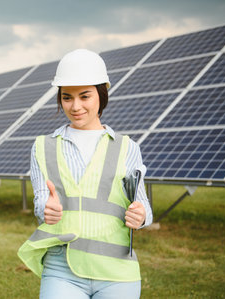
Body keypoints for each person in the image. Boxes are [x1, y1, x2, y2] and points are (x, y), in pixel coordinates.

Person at [18, 49, 153, 299]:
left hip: (117, 270)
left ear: (101, 95)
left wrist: (141, 215)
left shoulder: (127, 147)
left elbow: (143, 204)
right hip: (62, 268)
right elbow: (40, 201)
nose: (75, 106)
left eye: (85, 96)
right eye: (67, 97)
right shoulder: (42, 146)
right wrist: (45, 209)